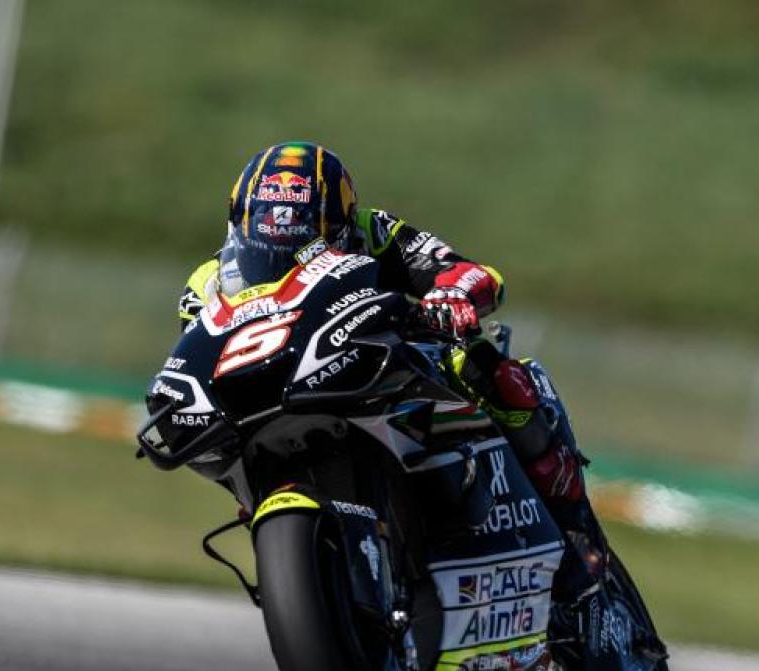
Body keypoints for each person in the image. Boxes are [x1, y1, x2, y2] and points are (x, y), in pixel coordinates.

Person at [177, 141, 609, 600]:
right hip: (283, 397)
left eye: (305, 230)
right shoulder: (207, 284)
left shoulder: (374, 231)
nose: (283, 247)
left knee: (491, 371)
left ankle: (574, 526)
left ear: (341, 220)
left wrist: (452, 294)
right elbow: (200, 363)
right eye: (267, 230)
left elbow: (467, 271)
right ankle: (293, 544)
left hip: (383, 364)